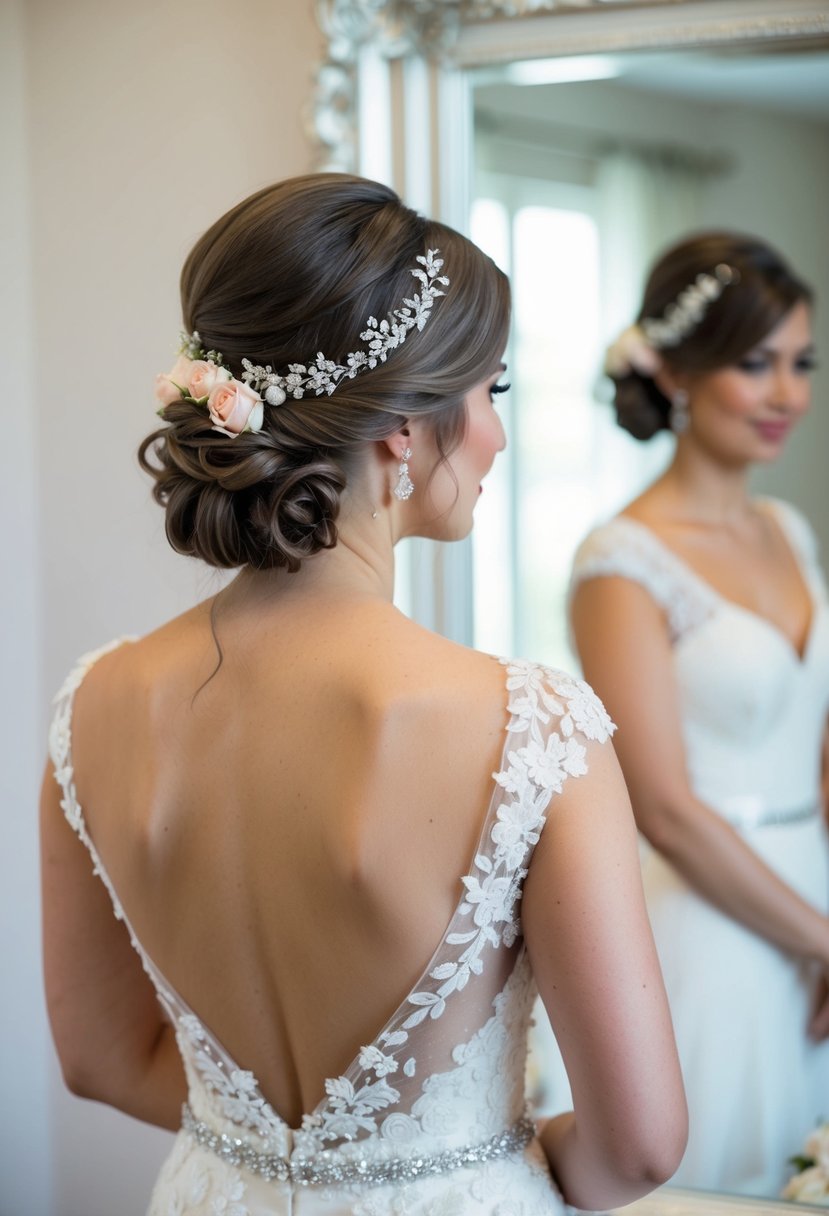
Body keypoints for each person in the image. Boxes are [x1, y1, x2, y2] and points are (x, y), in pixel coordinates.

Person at [40, 174, 685, 1216]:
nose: (497, 439)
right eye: (490, 395)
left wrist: (272, 1155)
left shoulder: (93, 706)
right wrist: (455, 1166)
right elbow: (642, 1146)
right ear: (401, 428)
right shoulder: (531, 732)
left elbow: (102, 1058)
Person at [568, 231, 829, 1197]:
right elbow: (663, 807)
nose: (785, 396)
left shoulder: (786, 531)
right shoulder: (620, 563)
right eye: (754, 365)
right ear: (674, 372)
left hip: (816, 889)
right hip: (714, 923)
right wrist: (819, 940)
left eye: (800, 363)